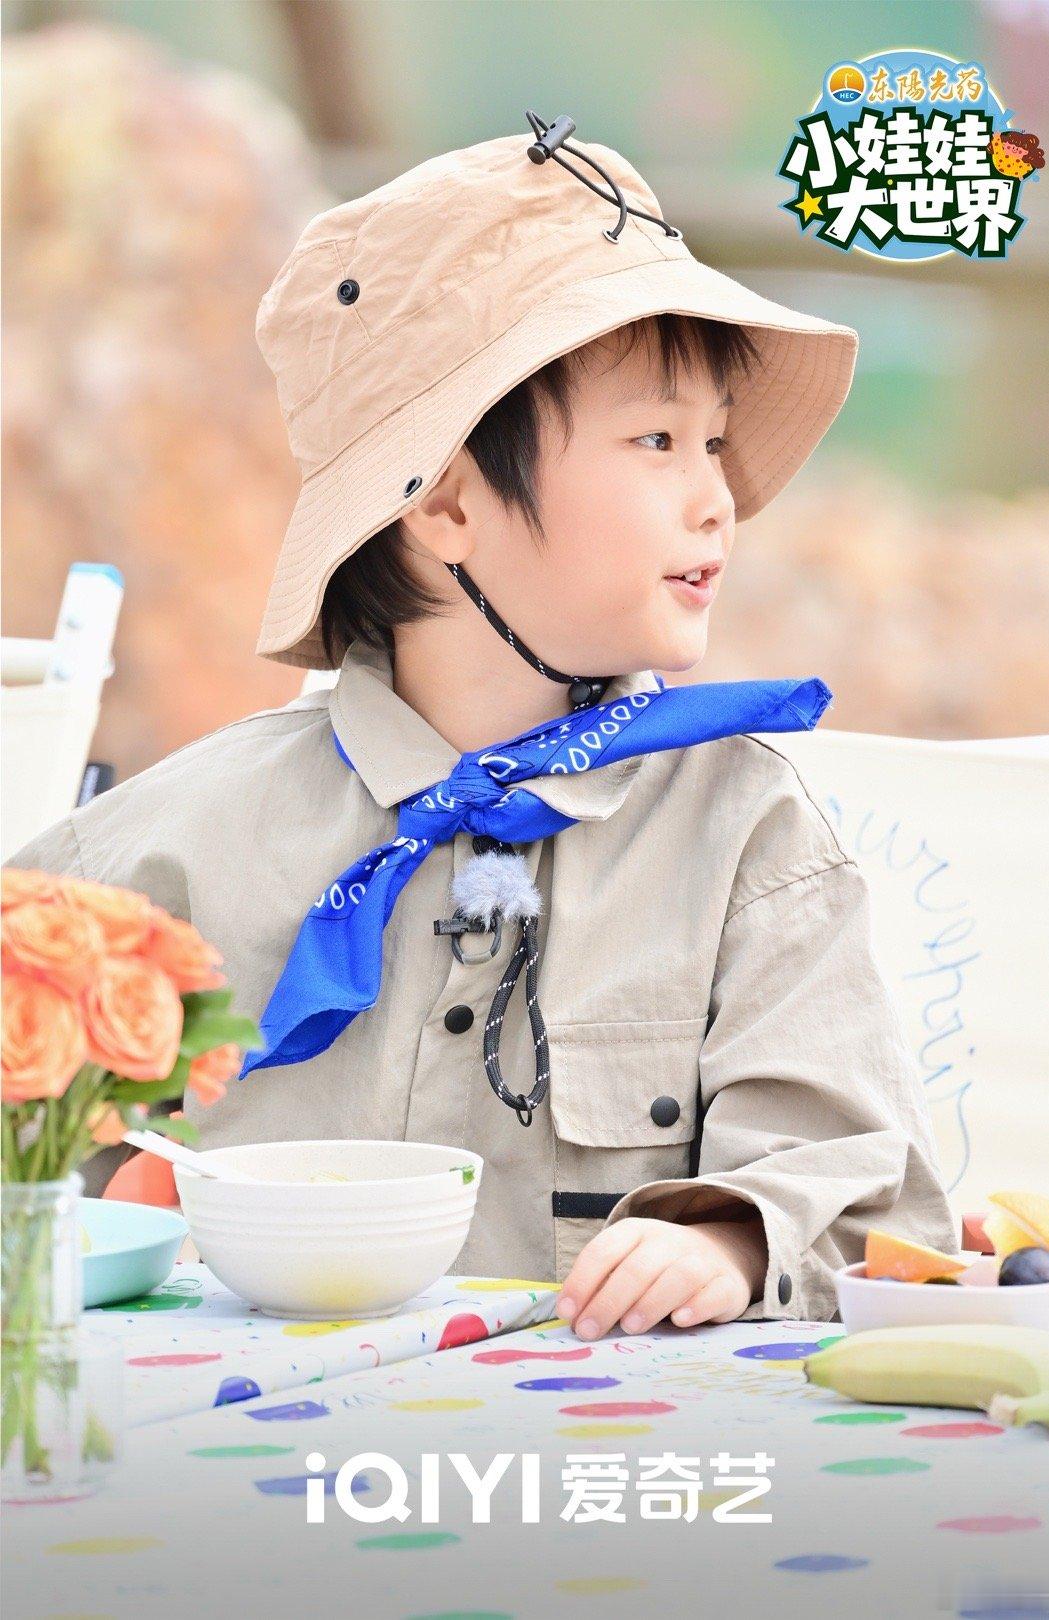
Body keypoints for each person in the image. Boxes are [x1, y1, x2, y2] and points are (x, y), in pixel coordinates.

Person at [4, 115, 958, 1338]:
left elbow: (879, 1213)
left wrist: (730, 1239)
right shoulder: (154, 859)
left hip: (596, 1448)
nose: (718, 497)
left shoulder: (745, 839)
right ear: (448, 504)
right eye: (657, 440)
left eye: (715, 442)